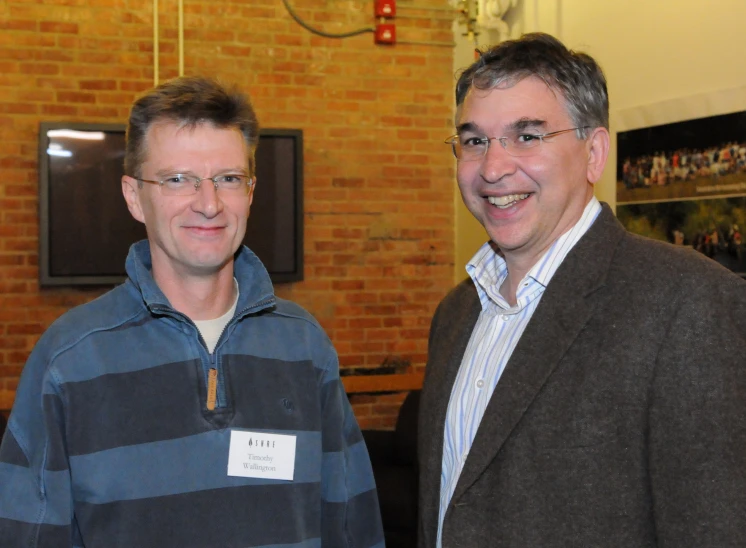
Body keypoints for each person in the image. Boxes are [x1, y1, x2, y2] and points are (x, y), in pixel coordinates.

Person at [0, 76, 384, 548]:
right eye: (178, 179)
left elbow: (352, 525)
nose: (209, 203)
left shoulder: (304, 347)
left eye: (228, 178)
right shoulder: (68, 361)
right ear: (134, 196)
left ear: (250, 191)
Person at [418, 33, 746, 548]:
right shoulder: (456, 315)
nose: (493, 168)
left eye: (527, 136)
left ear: (594, 153)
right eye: (475, 140)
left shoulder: (687, 304)